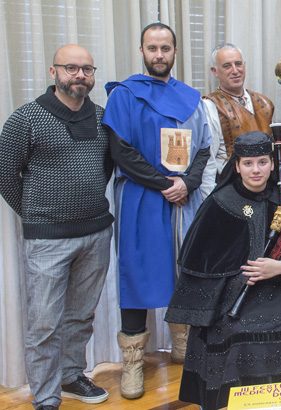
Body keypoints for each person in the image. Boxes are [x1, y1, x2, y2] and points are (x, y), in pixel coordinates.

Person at [165, 132, 281, 410]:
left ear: (272, 164)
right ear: (236, 166)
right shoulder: (220, 202)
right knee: (235, 333)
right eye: (248, 163)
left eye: (263, 162)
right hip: (236, 292)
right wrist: (240, 277)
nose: (256, 170)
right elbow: (202, 261)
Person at [102, 22, 212, 400]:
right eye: (153, 48)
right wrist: (164, 183)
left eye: (166, 48)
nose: (159, 54)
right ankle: (132, 363)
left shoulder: (192, 99)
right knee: (138, 275)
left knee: (185, 270)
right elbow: (122, 152)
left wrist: (188, 183)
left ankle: (182, 342)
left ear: (175, 52)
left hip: (184, 200)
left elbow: (202, 150)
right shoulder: (125, 95)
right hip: (141, 198)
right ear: (142, 51)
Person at [0, 44, 112, 410]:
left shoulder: (101, 117)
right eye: (71, 68)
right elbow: (6, 175)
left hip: (96, 233)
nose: (80, 75)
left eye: (87, 69)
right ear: (54, 72)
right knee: (44, 324)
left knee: (81, 315)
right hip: (47, 239)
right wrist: (35, 214)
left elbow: (105, 168)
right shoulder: (26, 118)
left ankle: (70, 375)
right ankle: (46, 398)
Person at [204, 43, 274, 176]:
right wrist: (211, 196)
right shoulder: (210, 106)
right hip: (230, 186)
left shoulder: (265, 103)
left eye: (238, 64)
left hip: (265, 185)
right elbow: (209, 161)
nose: (235, 70)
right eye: (227, 66)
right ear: (215, 71)